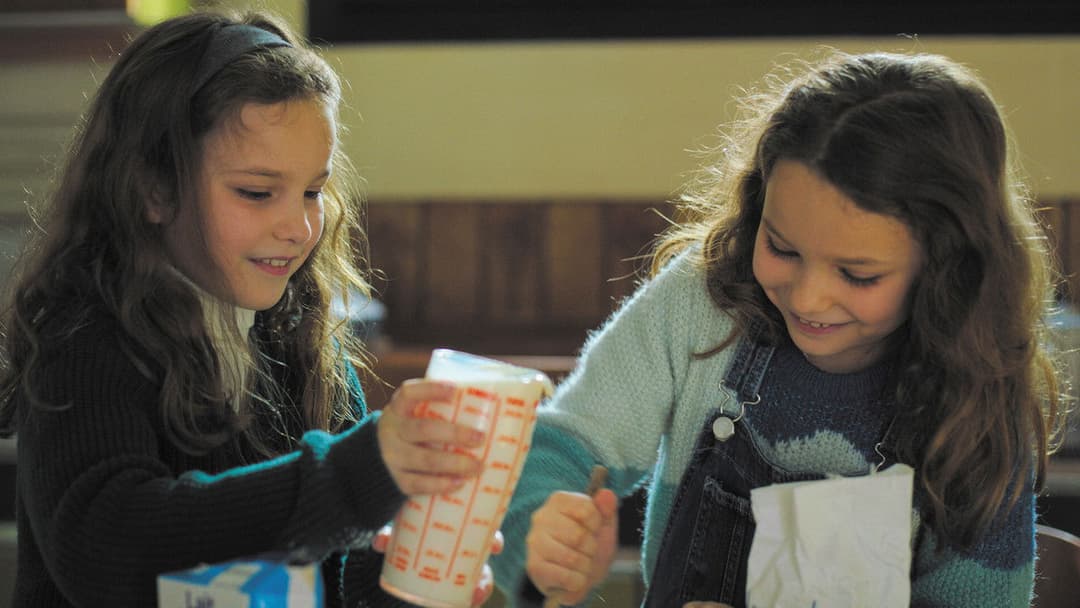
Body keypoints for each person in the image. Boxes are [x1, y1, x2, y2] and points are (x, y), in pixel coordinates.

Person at [490, 50, 1069, 607]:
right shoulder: (700, 304)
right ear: (758, 205)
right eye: (782, 248)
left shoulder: (979, 409)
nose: (808, 297)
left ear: (947, 269)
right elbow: (561, 446)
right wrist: (543, 528)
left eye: (857, 274)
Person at [0, 9, 496, 607]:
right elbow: (109, 546)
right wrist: (351, 475)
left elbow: (341, 578)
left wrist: (414, 574)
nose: (298, 226)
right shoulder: (85, 339)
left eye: (312, 191)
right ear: (155, 189)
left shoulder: (308, 344)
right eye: (257, 193)